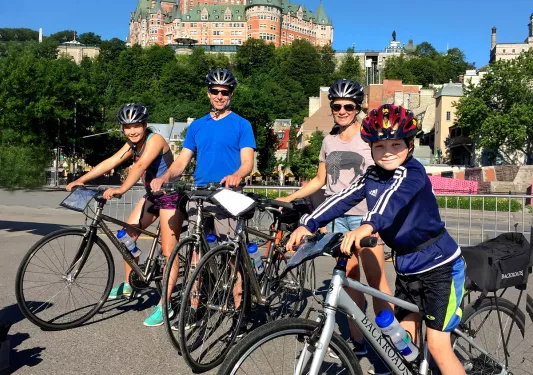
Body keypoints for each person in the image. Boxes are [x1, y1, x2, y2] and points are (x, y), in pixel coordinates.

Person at [287, 104, 466, 375]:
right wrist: (308, 223)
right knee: (404, 345)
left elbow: (388, 202)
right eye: (379, 146)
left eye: (396, 144)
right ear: (370, 148)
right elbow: (341, 198)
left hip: (440, 267)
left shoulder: (412, 173)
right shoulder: (371, 175)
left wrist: (366, 226)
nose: (387, 152)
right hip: (408, 267)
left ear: (410, 144)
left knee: (438, 345)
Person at [278, 79, 393, 354]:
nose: (342, 111)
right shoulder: (328, 141)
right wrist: (291, 197)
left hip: (365, 218)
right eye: (337, 106)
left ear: (357, 108)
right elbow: (320, 180)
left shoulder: (369, 138)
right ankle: (359, 343)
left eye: (348, 106)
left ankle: (393, 345)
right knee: (350, 282)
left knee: (377, 283)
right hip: (338, 219)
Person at [151, 68, 256, 333]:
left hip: (228, 196)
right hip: (200, 195)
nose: (220, 96)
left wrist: (236, 175)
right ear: (208, 92)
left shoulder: (242, 124)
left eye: (225, 92)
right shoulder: (197, 126)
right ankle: (195, 306)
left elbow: (248, 163)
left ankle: (239, 309)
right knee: (195, 252)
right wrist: (166, 178)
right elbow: (182, 161)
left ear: (231, 93)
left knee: (231, 253)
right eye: (215, 91)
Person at [66, 104, 183, 327]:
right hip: (152, 195)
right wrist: (83, 179)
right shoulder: (132, 144)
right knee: (126, 236)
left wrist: (121, 189)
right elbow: (111, 161)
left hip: (170, 197)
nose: (132, 131)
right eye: (127, 127)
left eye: (136, 126)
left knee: (169, 251)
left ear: (145, 125)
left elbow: (139, 168)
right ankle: (131, 284)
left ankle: (165, 305)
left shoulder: (154, 140)